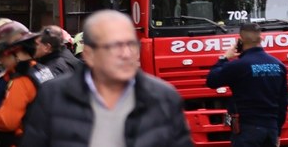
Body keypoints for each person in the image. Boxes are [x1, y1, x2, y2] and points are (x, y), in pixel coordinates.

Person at [19, 9, 192, 147]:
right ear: (90, 54)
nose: (126, 54)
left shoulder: (164, 98)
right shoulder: (52, 97)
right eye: (114, 46)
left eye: (131, 44)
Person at [206, 22, 288, 147]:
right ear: (262, 38)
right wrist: (277, 131)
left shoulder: (238, 66)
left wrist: (224, 58)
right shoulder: (279, 66)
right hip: (271, 129)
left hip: (247, 130)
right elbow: (283, 103)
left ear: (240, 40)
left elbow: (211, 80)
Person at [0, 25, 53, 147]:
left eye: (1, 56)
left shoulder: (21, 81)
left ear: (14, 52)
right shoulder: (41, 70)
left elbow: (7, 122)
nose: (0, 61)